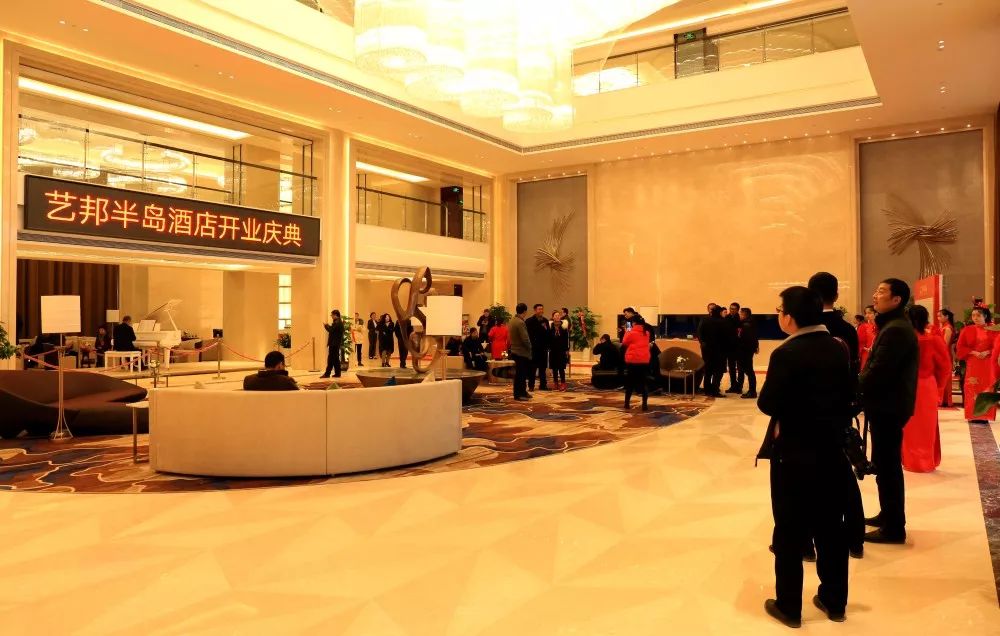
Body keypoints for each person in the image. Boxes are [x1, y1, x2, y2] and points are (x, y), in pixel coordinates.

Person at [757, 286, 854, 628]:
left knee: (789, 529)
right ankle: (834, 600)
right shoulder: (837, 347)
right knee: (831, 526)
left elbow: (767, 403)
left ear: (790, 317)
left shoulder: (786, 352)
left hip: (794, 452)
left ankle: (789, 606)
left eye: (780, 309)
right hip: (831, 449)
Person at [859, 278, 919, 544]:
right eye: (877, 290)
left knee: (888, 466)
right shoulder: (892, 325)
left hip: (889, 406)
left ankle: (894, 527)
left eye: (881, 291)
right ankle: (888, 515)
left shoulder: (896, 329)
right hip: (887, 405)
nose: (875, 295)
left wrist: (853, 388)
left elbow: (878, 371)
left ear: (897, 300)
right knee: (885, 465)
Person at [902, 305, 950, 473]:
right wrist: (939, 387)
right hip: (926, 386)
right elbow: (944, 366)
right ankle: (925, 461)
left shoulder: (902, 338)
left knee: (908, 426)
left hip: (905, 385)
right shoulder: (933, 338)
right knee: (926, 426)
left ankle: (910, 460)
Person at [809, 272, 860, 375]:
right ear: (836, 296)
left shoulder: (805, 326)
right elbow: (853, 364)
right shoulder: (849, 329)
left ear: (810, 297)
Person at [956, 305, 996, 423]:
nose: (975, 318)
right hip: (973, 362)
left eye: (978, 315)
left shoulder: (993, 329)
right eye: (973, 315)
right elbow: (960, 347)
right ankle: (973, 414)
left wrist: (988, 352)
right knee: (971, 387)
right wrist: (973, 352)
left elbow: (998, 346)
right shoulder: (967, 330)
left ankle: (985, 415)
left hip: (988, 362)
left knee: (987, 387)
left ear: (985, 316)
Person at [697, 305, 728, 397]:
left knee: (708, 371)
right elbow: (726, 337)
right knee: (718, 372)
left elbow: (699, 333)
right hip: (719, 351)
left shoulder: (704, 320)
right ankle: (715, 390)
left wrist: (703, 343)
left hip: (707, 350)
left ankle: (707, 390)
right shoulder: (722, 322)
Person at [621, 317, 650, 410]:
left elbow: (624, 342)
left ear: (634, 323)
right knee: (643, 382)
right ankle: (644, 405)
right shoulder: (647, 333)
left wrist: (627, 331)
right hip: (644, 360)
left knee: (630, 382)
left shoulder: (631, 333)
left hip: (633, 360)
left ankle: (627, 404)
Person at [509, 303, 532, 401]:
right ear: (525, 311)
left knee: (520, 373)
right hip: (521, 352)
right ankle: (519, 394)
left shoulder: (512, 320)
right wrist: (530, 348)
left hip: (514, 350)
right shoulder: (520, 322)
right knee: (521, 375)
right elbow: (525, 339)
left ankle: (523, 391)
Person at [525, 303, 550, 391]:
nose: (541, 311)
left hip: (543, 349)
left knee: (543, 368)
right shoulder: (529, 321)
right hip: (533, 349)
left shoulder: (545, 321)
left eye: (542, 309)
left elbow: (548, 333)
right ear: (535, 310)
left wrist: (547, 346)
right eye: (539, 309)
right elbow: (527, 335)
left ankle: (543, 385)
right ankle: (531, 386)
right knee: (532, 368)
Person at [937, 308, 957, 406]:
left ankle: (945, 400)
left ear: (947, 316)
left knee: (945, 377)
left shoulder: (948, 328)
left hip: (944, 354)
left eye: (940, 316)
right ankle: (942, 400)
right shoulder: (943, 327)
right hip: (942, 354)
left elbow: (944, 344)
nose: (938, 318)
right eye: (937, 316)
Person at [737, 307, 759, 399]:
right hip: (748, 350)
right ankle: (751, 390)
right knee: (749, 371)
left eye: (740, 314)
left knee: (749, 371)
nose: (739, 315)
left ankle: (752, 391)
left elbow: (746, 339)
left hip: (745, 351)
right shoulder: (751, 323)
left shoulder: (746, 325)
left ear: (744, 314)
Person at [320, 309, 344, 379]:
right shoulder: (338, 322)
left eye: (332, 315)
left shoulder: (337, 322)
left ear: (336, 315)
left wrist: (326, 325)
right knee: (336, 359)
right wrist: (327, 326)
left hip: (334, 344)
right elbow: (332, 330)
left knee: (330, 359)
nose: (331, 316)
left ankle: (327, 374)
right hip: (335, 343)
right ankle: (338, 373)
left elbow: (331, 330)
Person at [549, 310, 569, 390]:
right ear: (553, 317)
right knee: (554, 367)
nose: (557, 317)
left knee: (561, 367)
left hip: (561, 349)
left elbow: (566, 339)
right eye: (556, 315)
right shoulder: (550, 326)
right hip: (553, 349)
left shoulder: (564, 326)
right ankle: (555, 383)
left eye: (558, 315)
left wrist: (567, 349)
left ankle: (563, 383)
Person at [725, 302, 742, 393]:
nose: (732, 310)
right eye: (731, 308)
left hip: (739, 347)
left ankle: (739, 387)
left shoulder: (740, 318)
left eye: (734, 309)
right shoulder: (726, 318)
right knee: (731, 368)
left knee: (740, 368)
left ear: (737, 310)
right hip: (729, 347)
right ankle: (733, 385)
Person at [858, 305, 877, 370]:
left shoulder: (881, 326)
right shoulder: (863, 327)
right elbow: (859, 343)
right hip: (867, 354)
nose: (867, 316)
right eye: (866, 313)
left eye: (869, 313)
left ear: (876, 313)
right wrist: (867, 349)